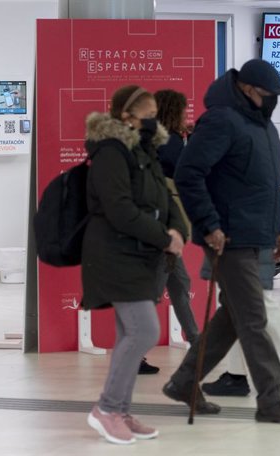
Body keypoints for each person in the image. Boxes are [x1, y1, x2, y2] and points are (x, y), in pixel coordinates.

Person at [163, 58, 280, 425]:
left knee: (231, 319)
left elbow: (267, 187)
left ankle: (184, 381)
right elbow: (189, 174)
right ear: (247, 89)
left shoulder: (265, 128)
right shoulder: (220, 121)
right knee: (254, 319)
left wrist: (278, 228)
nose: (273, 101)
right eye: (268, 94)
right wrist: (209, 224)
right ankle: (271, 400)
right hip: (228, 238)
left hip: (257, 235)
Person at [81, 85, 187, 444]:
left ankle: (120, 411)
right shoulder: (111, 152)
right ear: (126, 117)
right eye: (147, 113)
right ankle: (107, 409)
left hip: (141, 254)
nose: (154, 120)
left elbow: (165, 194)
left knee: (131, 332)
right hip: (114, 255)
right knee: (143, 330)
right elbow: (120, 209)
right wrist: (163, 236)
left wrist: (178, 228)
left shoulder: (146, 149)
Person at [201, 248, 280, 397]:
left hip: (243, 247)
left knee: (258, 303)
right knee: (236, 308)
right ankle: (236, 376)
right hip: (249, 245)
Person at [153, 88, 200, 346]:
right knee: (157, 288)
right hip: (166, 226)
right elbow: (187, 171)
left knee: (179, 283)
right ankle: (135, 351)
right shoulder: (169, 142)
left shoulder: (157, 140)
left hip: (163, 223)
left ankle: (196, 340)